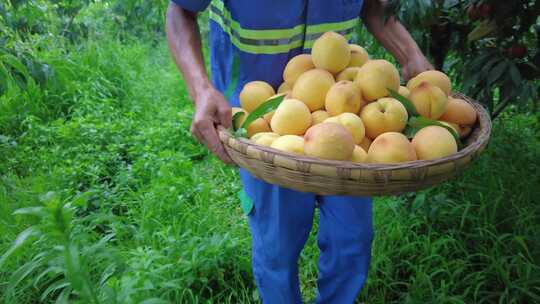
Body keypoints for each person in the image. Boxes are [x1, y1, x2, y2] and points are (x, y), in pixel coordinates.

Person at [166, 0, 433, 302]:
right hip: (263, 124)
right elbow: (181, 10)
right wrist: (200, 88)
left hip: (343, 115)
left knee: (352, 240)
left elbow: (373, 7)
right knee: (277, 245)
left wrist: (411, 55)